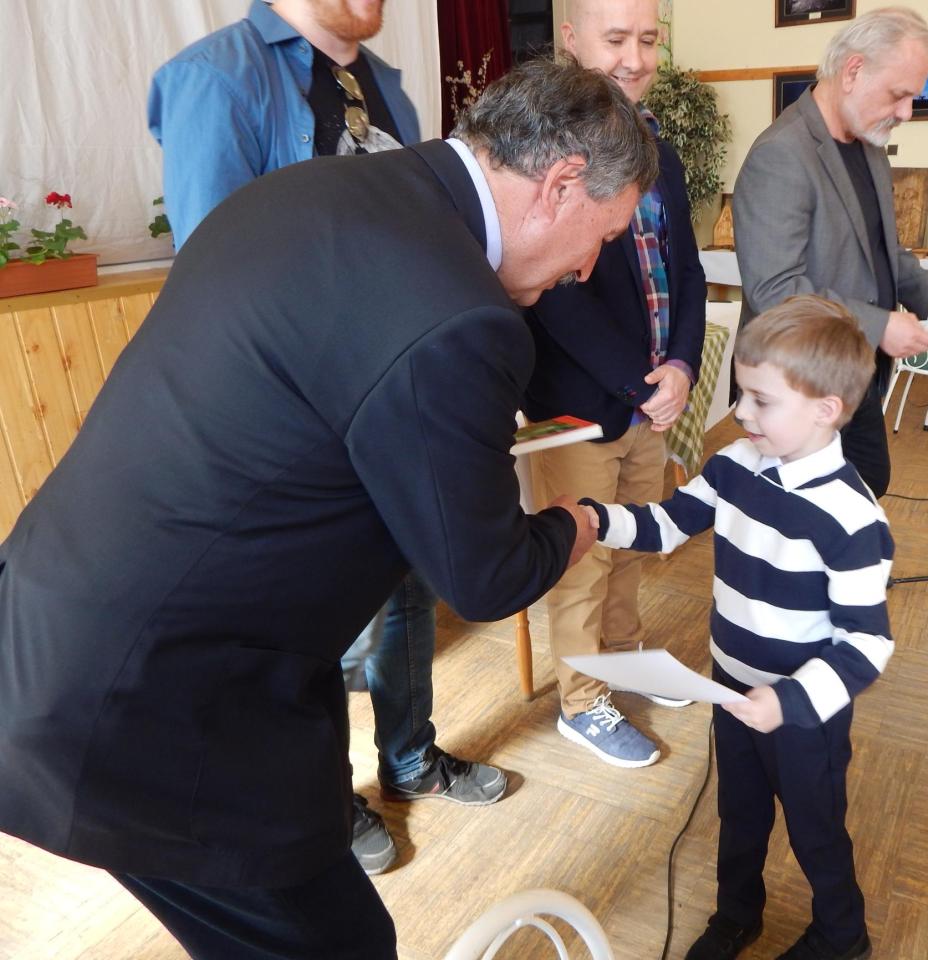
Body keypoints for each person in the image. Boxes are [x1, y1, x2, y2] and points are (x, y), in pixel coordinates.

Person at [0, 59, 656, 960]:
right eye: (603, 237)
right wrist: (575, 522)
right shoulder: (460, 317)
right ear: (562, 183)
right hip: (151, 709)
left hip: (49, 622)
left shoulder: (309, 192)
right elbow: (485, 575)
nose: (588, 267)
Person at [148, 0, 505, 879]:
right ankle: (322, 797)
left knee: (407, 588)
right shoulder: (214, 81)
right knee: (312, 618)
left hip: (386, 395)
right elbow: (216, 275)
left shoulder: (388, 88)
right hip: (293, 422)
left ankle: (410, 758)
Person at [578, 295, 892, 960]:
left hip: (801, 712)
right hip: (730, 686)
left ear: (825, 409)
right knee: (739, 811)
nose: (742, 413)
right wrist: (598, 519)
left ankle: (843, 936)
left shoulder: (853, 519)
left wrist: (790, 701)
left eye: (760, 400)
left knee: (814, 827)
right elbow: (668, 523)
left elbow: (867, 643)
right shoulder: (734, 464)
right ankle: (736, 914)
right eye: (741, 394)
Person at [523, 0, 707, 767]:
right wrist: (642, 384)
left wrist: (684, 366)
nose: (635, 58)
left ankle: (627, 658)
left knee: (632, 545)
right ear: (571, 39)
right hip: (581, 407)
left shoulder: (659, 144)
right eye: (617, 39)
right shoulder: (543, 145)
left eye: (649, 40)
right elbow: (556, 294)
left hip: (648, 402)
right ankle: (582, 701)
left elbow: (688, 269)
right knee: (583, 558)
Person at [733, 6, 928, 498]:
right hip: (798, 384)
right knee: (810, 510)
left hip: (852, 371)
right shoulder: (781, 154)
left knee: (862, 487)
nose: (906, 113)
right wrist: (878, 324)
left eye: (913, 98)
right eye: (898, 94)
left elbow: (882, 250)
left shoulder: (868, 146)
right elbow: (773, 290)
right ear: (852, 71)